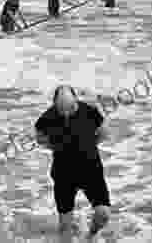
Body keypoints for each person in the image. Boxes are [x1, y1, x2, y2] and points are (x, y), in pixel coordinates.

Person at [34, 85, 111, 236]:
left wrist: (87, 146)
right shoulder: (47, 117)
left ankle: (91, 235)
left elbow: (103, 133)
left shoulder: (90, 111)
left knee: (103, 214)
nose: (67, 113)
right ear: (55, 104)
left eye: (70, 108)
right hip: (64, 174)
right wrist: (60, 149)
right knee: (65, 227)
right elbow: (40, 139)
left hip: (91, 170)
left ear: (76, 100)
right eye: (62, 110)